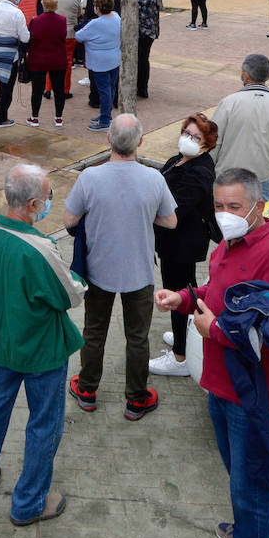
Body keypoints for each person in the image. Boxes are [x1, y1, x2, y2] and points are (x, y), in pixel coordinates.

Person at [153, 167, 269, 538]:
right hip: (221, 386)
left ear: (258, 206)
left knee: (252, 484)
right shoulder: (227, 244)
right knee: (240, 476)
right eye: (219, 205)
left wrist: (216, 330)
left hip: (256, 396)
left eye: (234, 206)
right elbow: (215, 291)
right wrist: (184, 298)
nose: (225, 214)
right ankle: (247, 529)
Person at [0, 164, 85, 526]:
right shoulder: (40, 248)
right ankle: (29, 503)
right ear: (33, 203)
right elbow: (70, 294)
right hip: (41, 350)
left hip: (1, 343)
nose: (49, 202)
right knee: (44, 423)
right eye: (48, 197)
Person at [64, 115, 177, 420]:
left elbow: (69, 221)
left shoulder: (89, 177)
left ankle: (86, 389)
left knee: (94, 331)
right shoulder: (155, 179)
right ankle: (136, 399)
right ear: (140, 142)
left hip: (98, 270)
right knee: (137, 337)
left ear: (108, 140)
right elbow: (170, 220)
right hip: (139, 272)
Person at [149, 113, 218, 378]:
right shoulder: (178, 160)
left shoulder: (200, 171)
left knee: (177, 294)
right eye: (186, 134)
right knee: (183, 291)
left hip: (182, 244)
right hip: (171, 241)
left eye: (195, 137)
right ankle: (184, 337)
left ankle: (179, 358)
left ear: (206, 144)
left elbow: (174, 211)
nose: (188, 139)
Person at [210, 54, 269, 201]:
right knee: (261, 217)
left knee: (226, 215)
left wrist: (211, 168)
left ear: (245, 75)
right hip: (263, 176)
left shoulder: (229, 103)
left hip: (227, 174)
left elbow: (213, 142)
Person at [76, 0, 121, 131]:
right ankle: (106, 114)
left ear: (97, 8)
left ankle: (105, 120)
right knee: (111, 88)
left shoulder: (95, 23)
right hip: (114, 58)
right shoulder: (117, 17)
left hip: (99, 62)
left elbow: (79, 36)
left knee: (104, 91)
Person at [26, 0, 69, 127]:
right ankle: (59, 117)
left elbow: (30, 38)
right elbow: (63, 36)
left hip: (39, 59)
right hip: (57, 58)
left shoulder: (35, 21)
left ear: (43, 4)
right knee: (59, 89)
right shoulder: (62, 20)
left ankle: (35, 117)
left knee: (37, 90)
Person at [53, 0, 82, 97]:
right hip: (69, 32)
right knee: (68, 61)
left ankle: (48, 87)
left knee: (51, 59)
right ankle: (65, 89)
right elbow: (78, 13)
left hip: (53, 31)